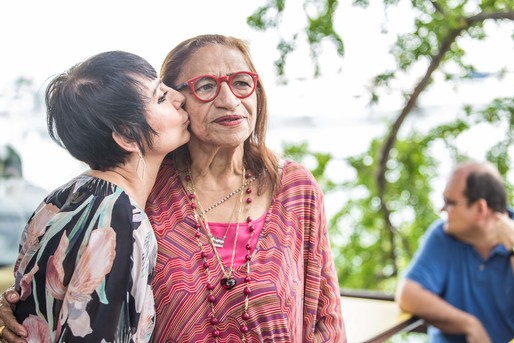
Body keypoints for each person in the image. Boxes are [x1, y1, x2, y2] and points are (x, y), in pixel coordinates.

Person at [0, 34, 345, 342]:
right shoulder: (140, 192)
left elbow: (326, 319)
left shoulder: (295, 188)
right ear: (179, 99)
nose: (229, 99)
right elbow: (75, 270)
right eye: (205, 87)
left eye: (241, 82)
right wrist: (19, 306)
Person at [0, 50, 190, 342]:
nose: (179, 98)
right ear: (127, 135)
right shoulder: (120, 220)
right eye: (161, 98)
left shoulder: (58, 199)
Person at [396, 161, 514, 343]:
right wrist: (469, 324)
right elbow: (407, 295)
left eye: (449, 202)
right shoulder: (442, 235)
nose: (441, 209)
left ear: (480, 208)